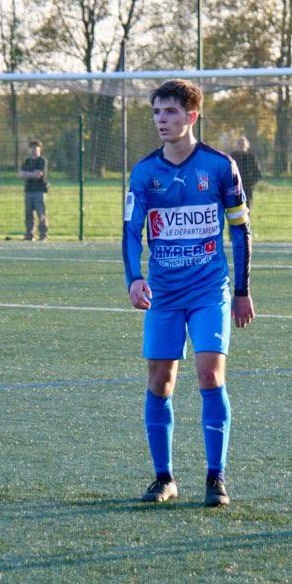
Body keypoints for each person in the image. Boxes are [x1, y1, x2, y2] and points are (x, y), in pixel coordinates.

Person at [122, 79, 255, 507]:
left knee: (209, 374)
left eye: (171, 112)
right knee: (160, 380)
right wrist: (134, 278)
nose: (162, 120)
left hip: (207, 290)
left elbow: (240, 230)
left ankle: (215, 478)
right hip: (162, 293)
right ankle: (164, 478)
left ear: (191, 116)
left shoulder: (219, 167)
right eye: (157, 112)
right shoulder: (144, 173)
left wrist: (241, 290)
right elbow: (130, 231)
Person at [20, 139, 49, 241]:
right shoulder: (27, 161)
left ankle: (43, 234)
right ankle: (29, 234)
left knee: (41, 213)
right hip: (28, 191)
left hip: (39, 191)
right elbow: (21, 175)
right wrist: (30, 174)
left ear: (40, 149)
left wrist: (28, 174)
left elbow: (38, 174)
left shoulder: (42, 161)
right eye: (32, 148)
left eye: (36, 148)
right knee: (28, 214)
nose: (34, 151)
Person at [228, 136, 261, 209]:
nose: (241, 145)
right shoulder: (231, 157)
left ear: (247, 145)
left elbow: (257, 174)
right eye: (239, 143)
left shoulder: (251, 157)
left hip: (247, 188)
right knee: (234, 209)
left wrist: (251, 184)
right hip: (234, 188)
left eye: (243, 143)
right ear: (236, 145)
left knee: (247, 209)